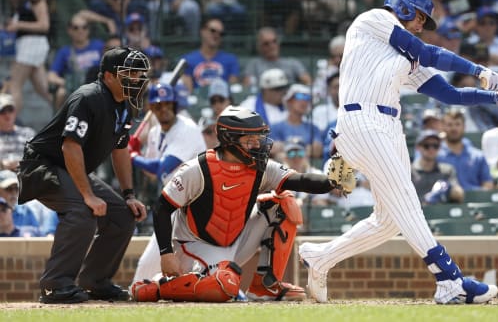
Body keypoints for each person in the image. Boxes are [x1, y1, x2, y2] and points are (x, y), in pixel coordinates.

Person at [298, 0, 498, 305]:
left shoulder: (406, 57)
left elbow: (450, 95)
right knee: (405, 195)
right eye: (419, 17)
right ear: (403, 9)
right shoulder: (373, 19)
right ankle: (450, 280)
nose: (420, 24)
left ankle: (321, 257)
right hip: (361, 119)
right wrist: (479, 70)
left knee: (389, 220)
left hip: (389, 126)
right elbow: (428, 52)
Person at [130, 106, 346, 302]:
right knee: (224, 286)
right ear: (229, 138)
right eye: (250, 140)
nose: (258, 145)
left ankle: (265, 286)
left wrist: (332, 181)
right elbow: (162, 207)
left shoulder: (259, 167)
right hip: (191, 246)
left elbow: (298, 180)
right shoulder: (197, 168)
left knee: (284, 203)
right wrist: (166, 253)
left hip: (233, 240)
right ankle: (157, 288)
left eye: (259, 138)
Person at [16, 47, 151, 304]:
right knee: (82, 211)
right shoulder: (88, 97)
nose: (136, 79)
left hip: (68, 168)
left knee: (123, 215)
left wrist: (129, 195)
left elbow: (120, 149)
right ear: (109, 76)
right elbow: (70, 146)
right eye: (130, 73)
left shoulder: (125, 105)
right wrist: (88, 195)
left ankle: (95, 282)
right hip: (41, 166)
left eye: (139, 73)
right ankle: (55, 286)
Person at [128, 83, 206, 200]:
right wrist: (136, 151)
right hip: (177, 194)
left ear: (175, 105)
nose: (164, 109)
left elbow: (162, 168)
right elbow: (152, 173)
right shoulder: (155, 132)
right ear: (151, 108)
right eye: (158, 105)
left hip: (200, 194)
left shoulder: (187, 129)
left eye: (168, 104)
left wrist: (133, 157)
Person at [438, 109, 495, 191]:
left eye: (457, 124)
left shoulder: (478, 156)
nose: (454, 128)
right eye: (449, 125)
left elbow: (488, 185)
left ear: (464, 127)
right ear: (443, 127)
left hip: (475, 199)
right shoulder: (435, 155)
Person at [411, 130, 464, 204]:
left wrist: (448, 189)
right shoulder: (409, 171)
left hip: (441, 213)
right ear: (418, 147)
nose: (431, 149)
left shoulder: (447, 170)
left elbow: (458, 194)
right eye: (427, 145)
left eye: (435, 145)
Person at [0, 93, 35, 171]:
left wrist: (20, 163)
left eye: (10, 110)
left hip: (24, 174)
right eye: (2, 111)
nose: (7, 114)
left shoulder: (28, 133)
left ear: (15, 112)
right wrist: (2, 165)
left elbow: (36, 158)